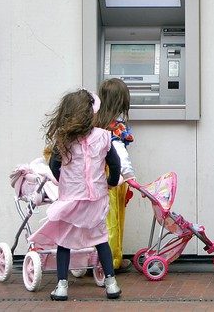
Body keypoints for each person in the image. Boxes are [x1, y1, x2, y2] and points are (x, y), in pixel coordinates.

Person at [29, 89, 122, 300]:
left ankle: (62, 286)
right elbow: (115, 165)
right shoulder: (103, 136)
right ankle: (111, 284)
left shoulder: (63, 140)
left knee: (64, 242)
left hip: (71, 201)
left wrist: (63, 182)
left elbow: (54, 167)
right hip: (96, 200)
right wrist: (110, 182)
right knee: (101, 239)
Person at [95, 77, 136, 273]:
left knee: (95, 222)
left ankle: (92, 260)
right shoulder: (115, 127)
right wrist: (130, 177)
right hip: (113, 179)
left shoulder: (94, 122)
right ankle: (111, 262)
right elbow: (120, 156)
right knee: (112, 222)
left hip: (93, 178)